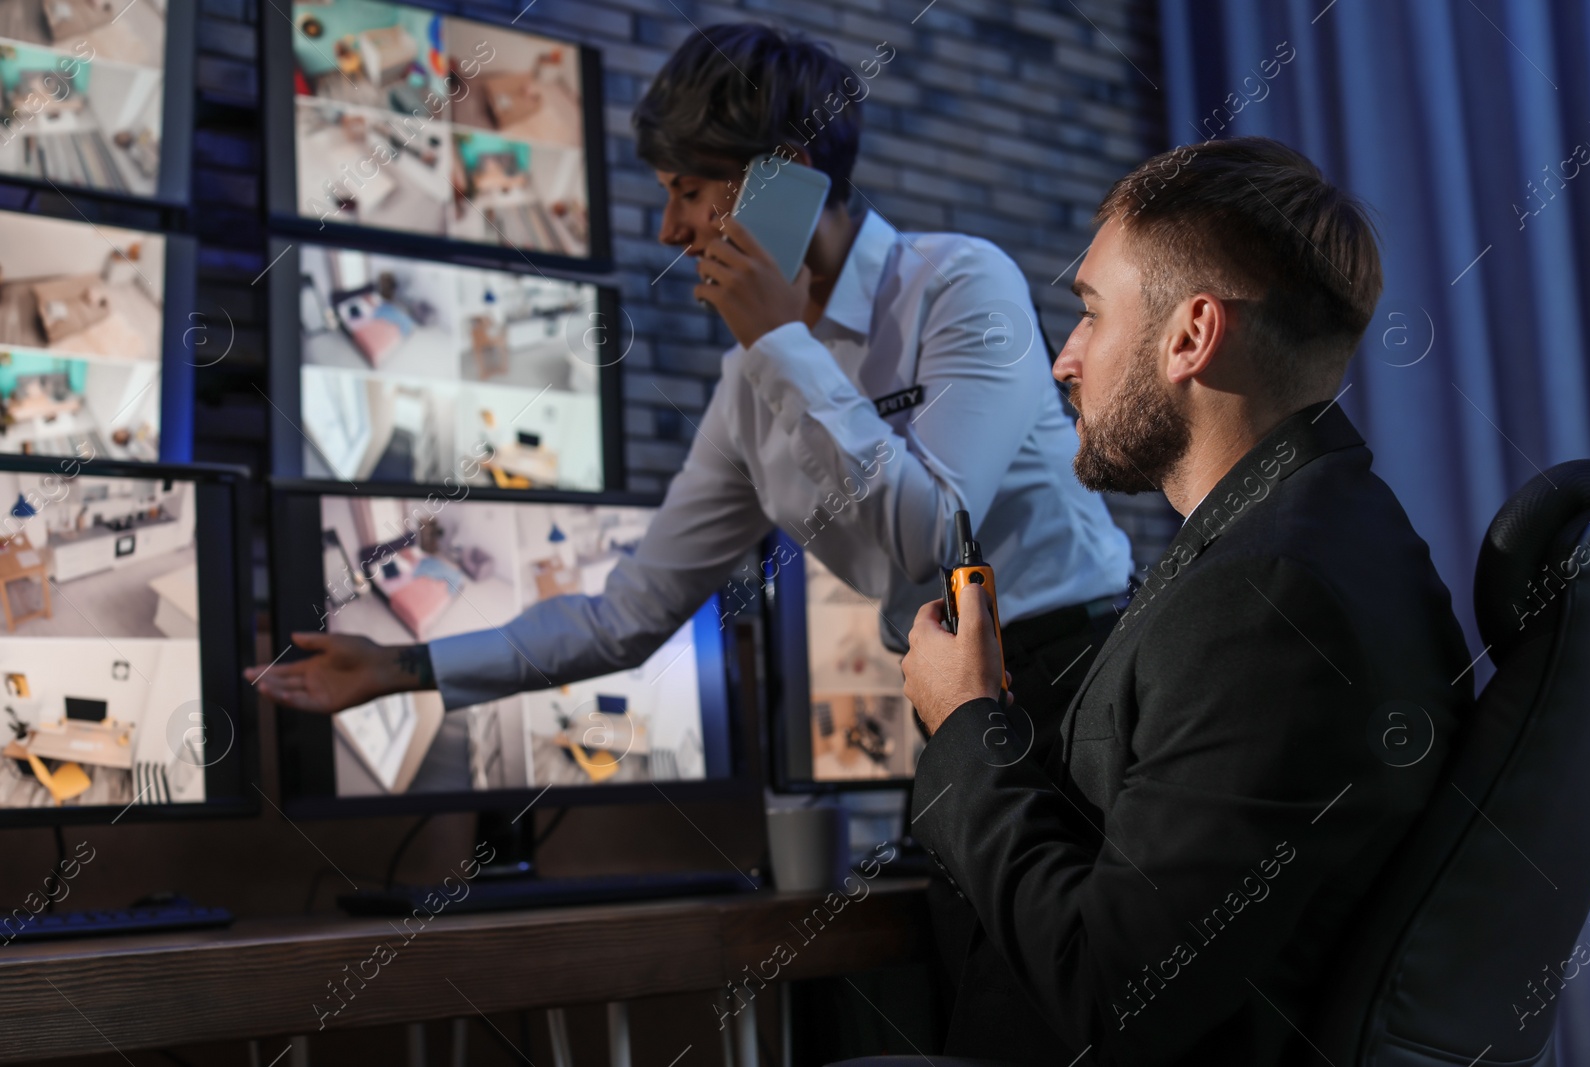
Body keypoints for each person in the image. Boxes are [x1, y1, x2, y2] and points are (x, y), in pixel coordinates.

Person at [248, 24, 1132, 767]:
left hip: (1077, 678)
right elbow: (626, 617)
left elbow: (934, 534)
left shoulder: (959, 283)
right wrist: (403, 665)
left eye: (690, 191)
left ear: (783, 174)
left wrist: (784, 340)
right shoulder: (753, 380)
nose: (672, 229)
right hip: (948, 706)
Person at [900, 137, 1473, 1065]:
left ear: (1191, 335)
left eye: (1089, 313)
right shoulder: (1317, 541)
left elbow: (1113, 988)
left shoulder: (1267, 601)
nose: (1063, 360)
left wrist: (964, 722)